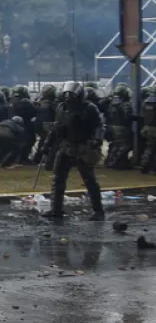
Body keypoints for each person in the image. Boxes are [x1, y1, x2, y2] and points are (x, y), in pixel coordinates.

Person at [44, 81, 106, 222]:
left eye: (71, 96)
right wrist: (47, 144)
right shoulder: (61, 107)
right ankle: (56, 209)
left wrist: (97, 140)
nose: (68, 98)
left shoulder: (90, 108)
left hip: (83, 147)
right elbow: (56, 127)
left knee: (90, 180)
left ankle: (98, 210)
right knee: (58, 179)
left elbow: (99, 126)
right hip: (66, 146)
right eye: (66, 95)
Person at [104, 85, 133, 170]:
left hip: (113, 126)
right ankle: (114, 162)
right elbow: (128, 116)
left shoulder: (112, 103)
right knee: (125, 145)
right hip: (122, 127)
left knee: (116, 144)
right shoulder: (125, 104)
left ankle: (110, 161)